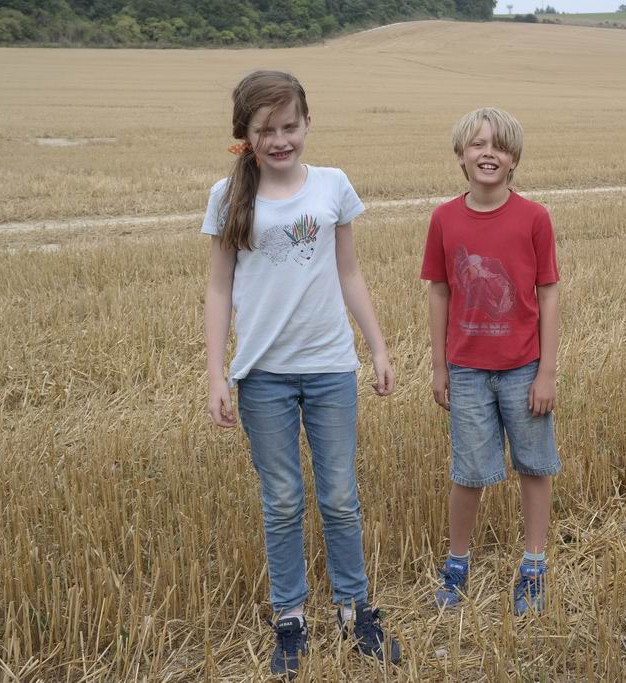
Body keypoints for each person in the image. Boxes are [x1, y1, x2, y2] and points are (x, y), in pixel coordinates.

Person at [202, 70, 401, 677]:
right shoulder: (228, 196)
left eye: (290, 126)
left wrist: (378, 347)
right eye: (266, 130)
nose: (280, 140)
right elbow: (218, 289)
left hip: (330, 367)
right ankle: (289, 617)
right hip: (262, 375)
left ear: (308, 123)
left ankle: (354, 609)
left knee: (340, 496)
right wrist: (217, 374)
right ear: (246, 134)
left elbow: (349, 273)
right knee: (283, 499)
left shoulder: (333, 184)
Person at [420, 107, 561, 616]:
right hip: (467, 371)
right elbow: (439, 292)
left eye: (498, 146)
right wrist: (439, 366)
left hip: (524, 367)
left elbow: (548, 293)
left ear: (514, 159)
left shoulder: (534, 218)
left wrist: (546, 372)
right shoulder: (444, 219)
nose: (488, 153)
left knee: (534, 466)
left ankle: (534, 564)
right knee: (469, 472)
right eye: (477, 144)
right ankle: (457, 564)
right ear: (460, 156)